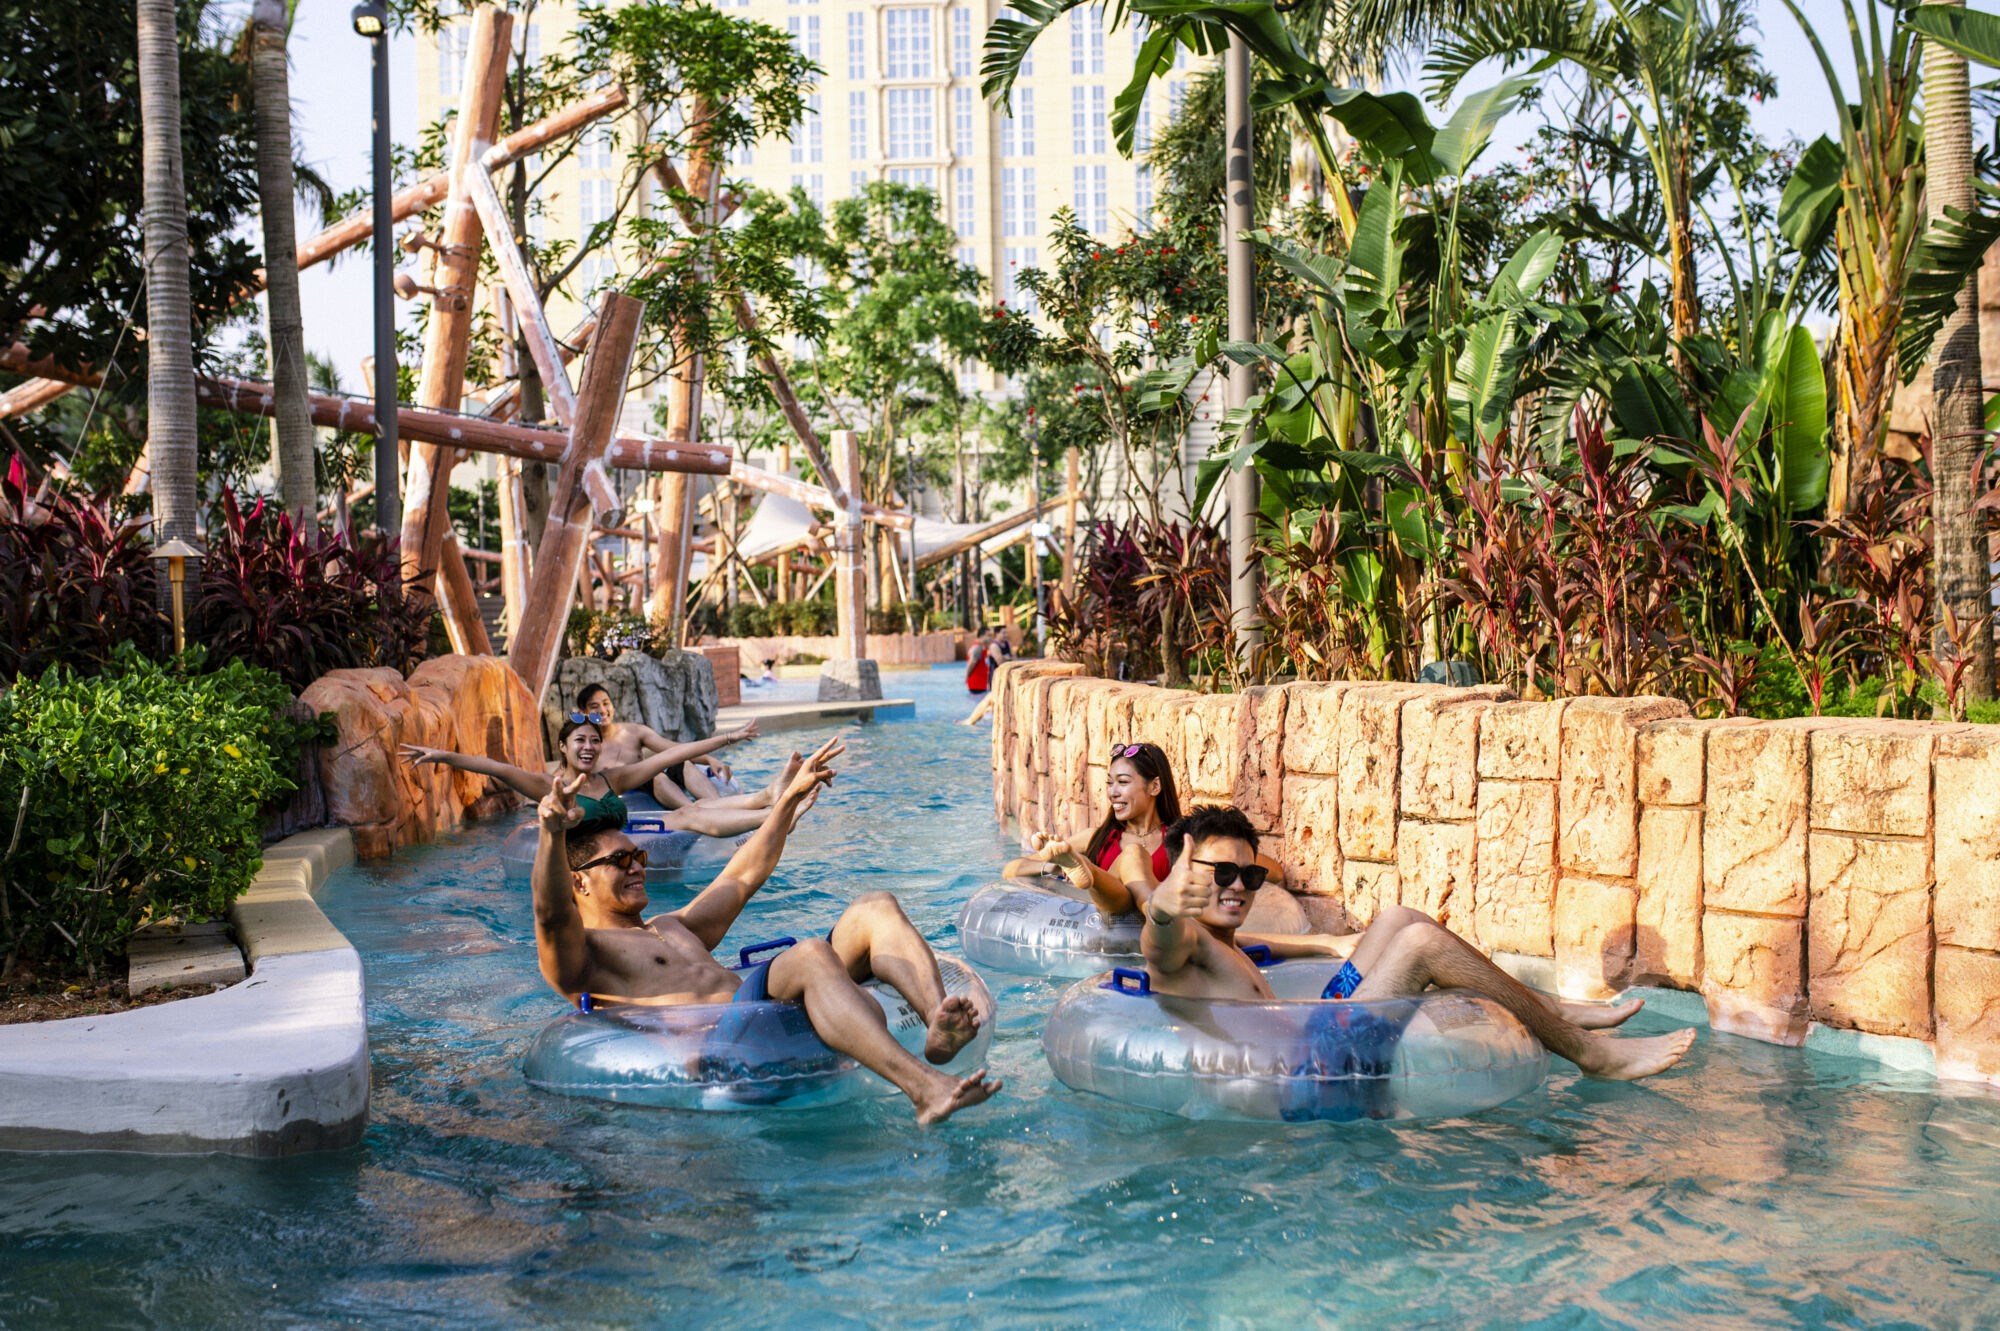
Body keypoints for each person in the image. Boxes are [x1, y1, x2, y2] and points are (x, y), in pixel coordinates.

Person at [531, 737, 1002, 1125]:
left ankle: (938, 1021)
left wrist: (789, 799)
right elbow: (550, 914)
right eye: (620, 861)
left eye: (640, 856)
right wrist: (551, 834)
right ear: (579, 882)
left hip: (757, 1011)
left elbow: (741, 876)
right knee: (813, 953)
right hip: (721, 1045)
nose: (637, 867)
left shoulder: (671, 925)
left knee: (874, 907)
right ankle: (923, 1089)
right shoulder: (583, 954)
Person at [1142, 805, 1696, 1084]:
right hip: (1307, 1074)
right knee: (1419, 944)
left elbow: (1259, 945)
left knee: (1397, 918)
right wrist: (1165, 903)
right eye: (1219, 874)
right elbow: (1158, 941)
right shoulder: (1186, 941)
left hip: (1318, 1029)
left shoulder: (1227, 942)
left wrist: (1327, 945)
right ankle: (1589, 1054)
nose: (1237, 885)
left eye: (1249, 875)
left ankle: (1550, 1008)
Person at [402, 713, 784, 841]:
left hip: (624, 851)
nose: (588, 747)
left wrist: (729, 738)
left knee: (687, 815)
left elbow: (673, 753)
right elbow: (494, 767)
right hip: (588, 871)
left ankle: (771, 802)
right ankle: (774, 812)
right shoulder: (546, 786)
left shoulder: (612, 780)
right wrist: (443, 755)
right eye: (580, 741)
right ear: (564, 747)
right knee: (686, 815)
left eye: (594, 741)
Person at [570, 682, 754, 807]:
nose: (602, 710)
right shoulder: (584, 747)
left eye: (606, 703)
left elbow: (672, 749)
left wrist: (708, 759)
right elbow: (566, 777)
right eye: (594, 707)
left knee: (681, 763)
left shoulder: (633, 731)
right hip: (623, 796)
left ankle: (718, 807)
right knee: (655, 774)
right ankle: (693, 810)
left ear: (613, 706)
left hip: (654, 790)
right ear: (583, 712)